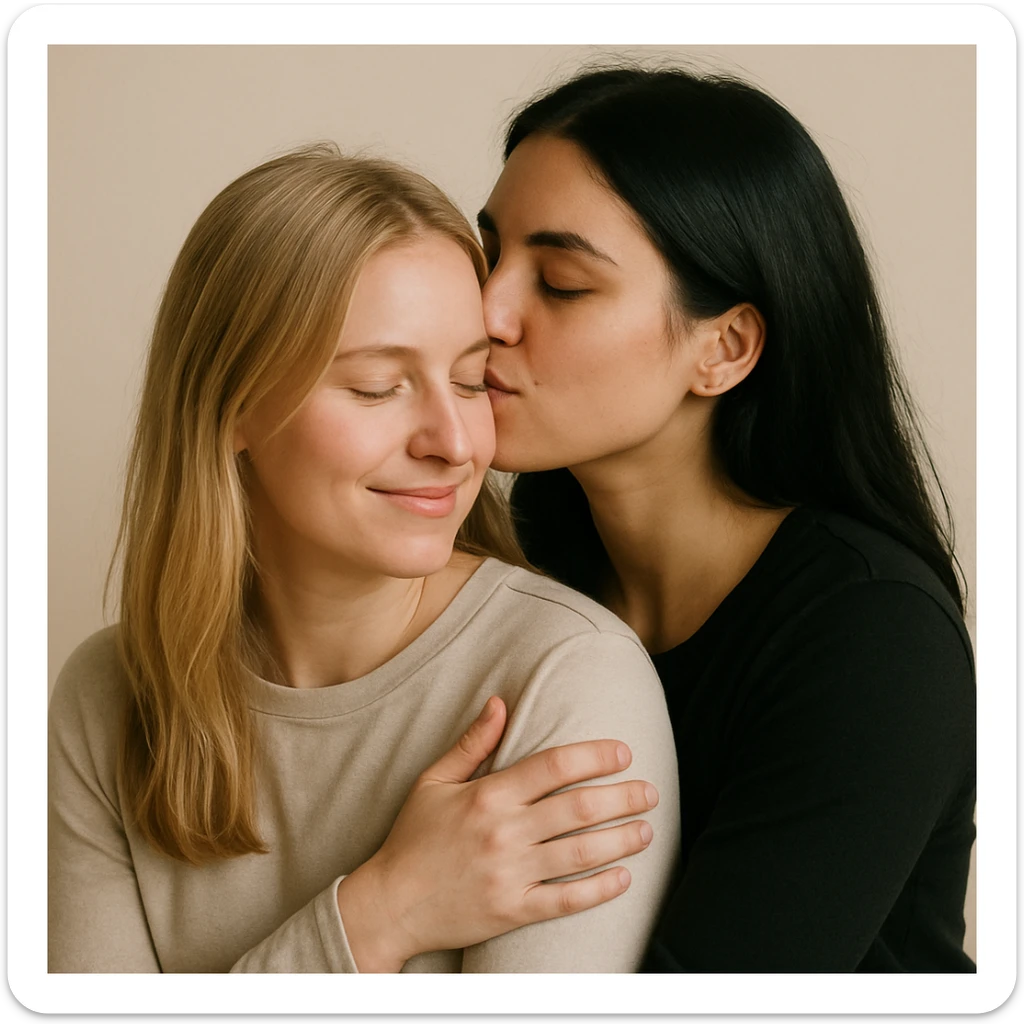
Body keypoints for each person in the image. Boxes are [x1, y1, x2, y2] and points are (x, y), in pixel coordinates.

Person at [47, 144, 681, 973]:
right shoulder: (106, 698)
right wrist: (380, 914)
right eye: (379, 387)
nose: (456, 445)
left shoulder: (567, 678)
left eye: (471, 381)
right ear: (231, 406)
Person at [475, 65, 977, 972]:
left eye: (560, 282)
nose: (488, 312)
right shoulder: (529, 549)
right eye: (488, 256)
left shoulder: (872, 636)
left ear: (725, 348)